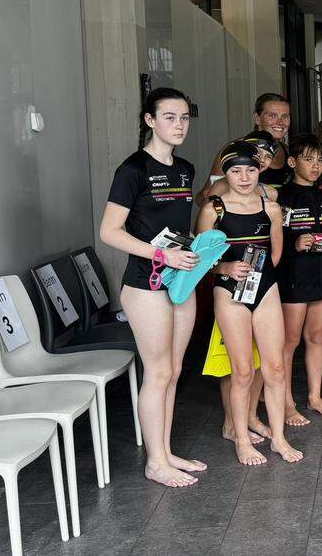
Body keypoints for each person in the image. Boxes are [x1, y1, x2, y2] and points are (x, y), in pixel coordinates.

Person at [99, 87, 203, 487]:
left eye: (184, 118)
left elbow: (176, 227)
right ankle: (155, 461)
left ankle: (165, 450)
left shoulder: (185, 169)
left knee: (174, 370)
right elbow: (110, 232)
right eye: (170, 117)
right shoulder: (132, 170)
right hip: (145, 284)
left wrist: (194, 248)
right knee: (157, 371)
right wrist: (161, 256)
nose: (179, 125)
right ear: (150, 120)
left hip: (181, 278)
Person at [197, 141, 303, 465]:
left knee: (274, 367)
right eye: (236, 170)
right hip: (229, 292)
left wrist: (260, 275)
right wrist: (226, 268)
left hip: (265, 288)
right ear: (225, 173)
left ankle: (278, 439)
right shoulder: (213, 209)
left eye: (251, 170)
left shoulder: (270, 206)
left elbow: (276, 252)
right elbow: (199, 259)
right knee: (242, 371)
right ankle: (242, 440)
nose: (244, 177)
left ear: (260, 171)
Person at [276, 134, 322, 425]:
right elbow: (272, 240)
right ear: (292, 162)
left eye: (319, 160)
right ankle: (287, 403)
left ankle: (314, 396)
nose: (315, 165)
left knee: (315, 336)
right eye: (308, 159)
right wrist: (294, 244)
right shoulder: (280, 197)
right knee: (289, 342)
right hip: (293, 276)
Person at [205, 93, 293, 191]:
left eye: (285, 117)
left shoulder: (289, 151)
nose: (280, 122)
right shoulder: (236, 148)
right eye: (272, 116)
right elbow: (204, 196)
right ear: (257, 118)